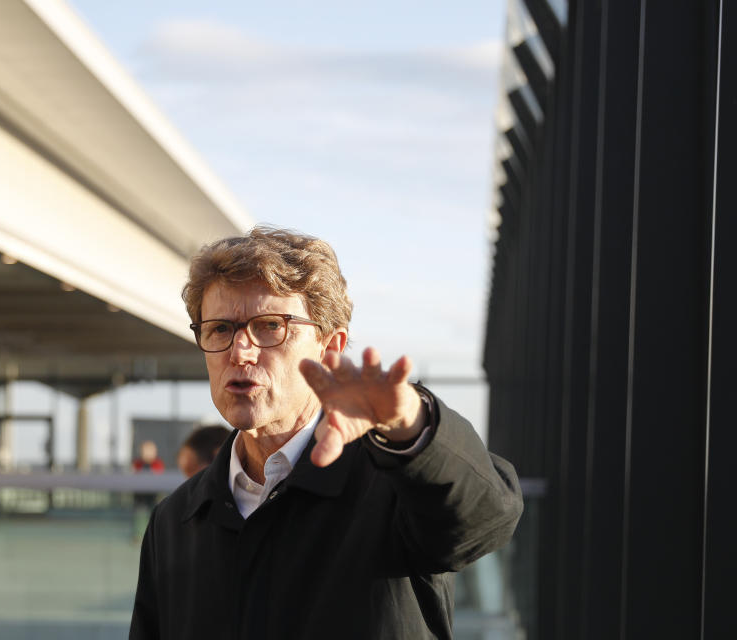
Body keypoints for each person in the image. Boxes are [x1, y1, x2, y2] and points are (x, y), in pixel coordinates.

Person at [129, 227, 523, 639]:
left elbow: (487, 518)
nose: (239, 351)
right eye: (220, 329)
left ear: (329, 347)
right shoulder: (174, 522)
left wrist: (411, 425)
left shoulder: (395, 490)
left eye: (269, 326)